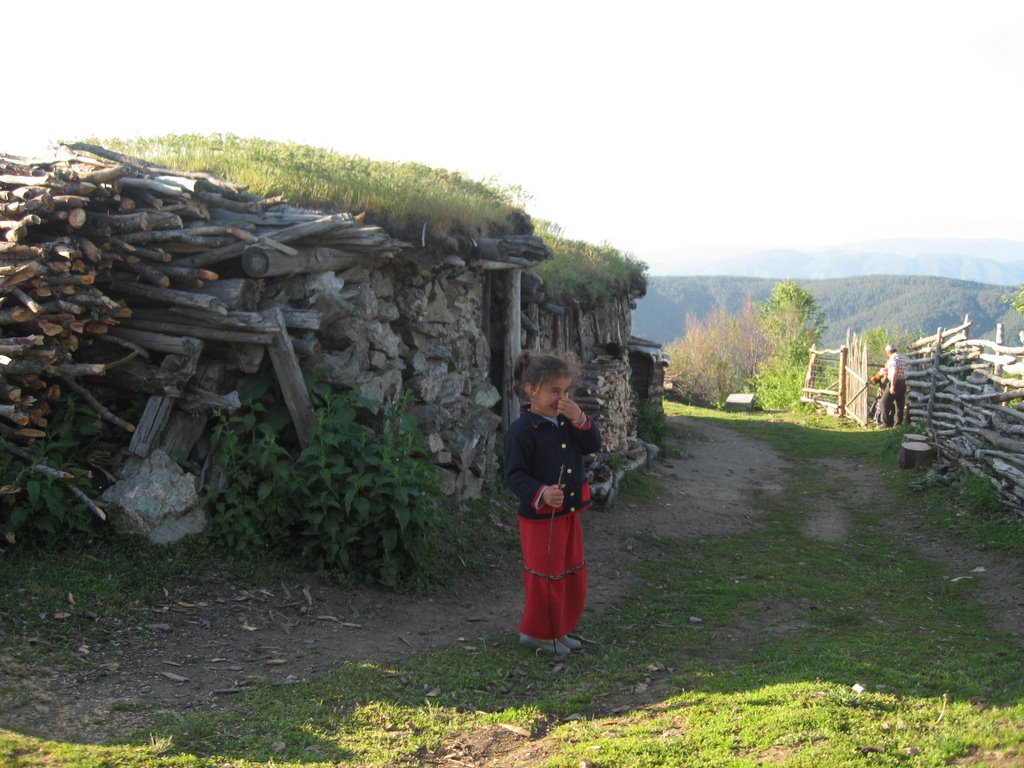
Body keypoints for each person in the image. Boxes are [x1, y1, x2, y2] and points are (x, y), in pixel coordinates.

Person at [504, 350, 602, 656]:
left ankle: (558, 630)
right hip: (539, 518)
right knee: (546, 576)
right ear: (531, 389)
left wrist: (579, 417)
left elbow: (593, 444)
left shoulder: (566, 422)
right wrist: (542, 493)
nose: (562, 398)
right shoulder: (521, 431)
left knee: (569, 572)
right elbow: (513, 476)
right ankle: (538, 634)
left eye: (566, 392)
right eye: (554, 392)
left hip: (567, 513)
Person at [879, 343, 908, 427]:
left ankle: (886, 423)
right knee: (899, 404)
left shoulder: (893, 358)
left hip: (895, 381)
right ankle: (897, 424)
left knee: (883, 402)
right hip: (903, 382)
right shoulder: (903, 357)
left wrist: (892, 386)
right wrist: (887, 370)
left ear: (888, 352)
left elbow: (895, 371)